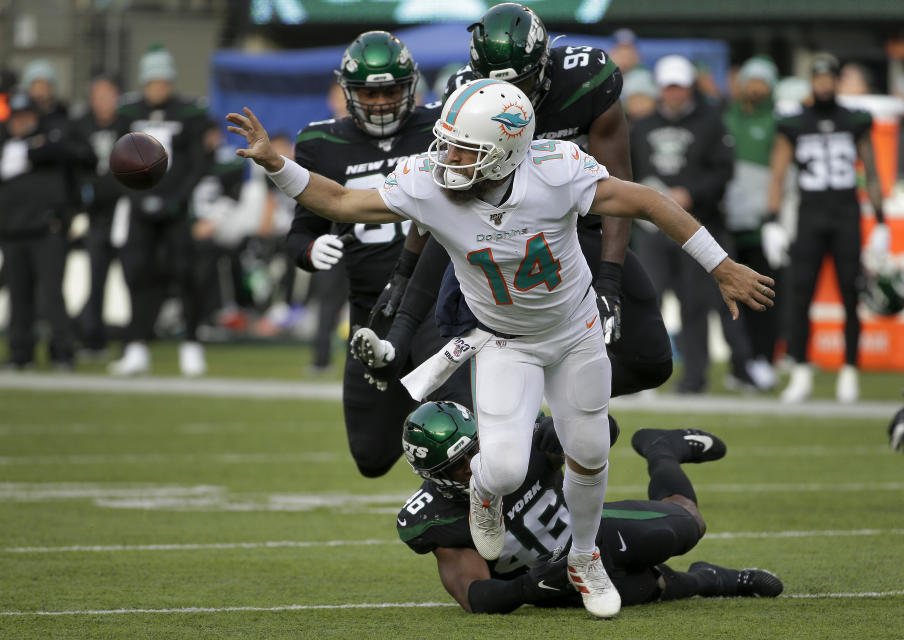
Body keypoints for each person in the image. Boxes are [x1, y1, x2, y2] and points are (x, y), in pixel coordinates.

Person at [226, 76, 775, 617]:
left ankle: (584, 558)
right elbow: (342, 201)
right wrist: (276, 163)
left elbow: (650, 202)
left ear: (507, 152)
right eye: (447, 144)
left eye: (465, 150)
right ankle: (484, 496)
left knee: (588, 454)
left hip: (576, 332)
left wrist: (721, 267)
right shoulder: (430, 182)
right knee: (506, 469)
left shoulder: (556, 171)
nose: (448, 159)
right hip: (503, 342)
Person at [353, 2, 673, 400]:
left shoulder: (586, 78)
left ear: (543, 65)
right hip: (494, 230)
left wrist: (608, 279)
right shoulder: (465, 93)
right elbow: (438, 195)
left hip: (574, 226)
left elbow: (618, 184)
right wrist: (403, 272)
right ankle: (399, 345)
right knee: (454, 242)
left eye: (521, 82)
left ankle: (553, 407)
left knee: (654, 362)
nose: (510, 97)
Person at [284, 31, 472, 477]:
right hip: (372, 312)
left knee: (462, 435)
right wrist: (310, 249)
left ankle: (462, 504)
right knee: (370, 457)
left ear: (410, 87)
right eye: (370, 91)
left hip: (439, 309)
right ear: (349, 93)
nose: (382, 101)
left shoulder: (440, 128)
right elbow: (298, 233)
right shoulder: (321, 143)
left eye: (391, 90)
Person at [397, 400, 783, 613]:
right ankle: (711, 579)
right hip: (551, 584)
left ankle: (661, 449)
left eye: (475, 451)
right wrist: (529, 587)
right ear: (434, 474)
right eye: (457, 465)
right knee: (649, 587)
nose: (473, 466)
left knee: (687, 525)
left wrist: (573, 432)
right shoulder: (436, 518)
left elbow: (602, 436)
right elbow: (473, 595)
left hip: (589, 533)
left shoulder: (518, 443)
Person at [631, 54, 759, 394]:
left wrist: (690, 193)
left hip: (698, 227)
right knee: (647, 298)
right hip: (651, 229)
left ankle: (694, 377)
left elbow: (724, 171)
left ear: (689, 88)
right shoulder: (642, 126)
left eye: (680, 87)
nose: (674, 94)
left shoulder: (711, 122)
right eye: (669, 88)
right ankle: (640, 373)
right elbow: (626, 172)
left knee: (695, 303)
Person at [769, 54, 889, 403]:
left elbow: (872, 171)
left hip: (846, 215)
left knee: (851, 294)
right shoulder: (794, 123)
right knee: (799, 294)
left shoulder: (855, 120)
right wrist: (773, 220)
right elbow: (777, 174)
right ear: (811, 81)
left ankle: (850, 371)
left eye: (828, 77)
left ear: (836, 80)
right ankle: (802, 370)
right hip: (809, 216)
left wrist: (880, 221)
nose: (823, 83)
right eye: (817, 77)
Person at [107, 46, 210, 377]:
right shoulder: (128, 112)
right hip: (140, 207)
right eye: (152, 81)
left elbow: (198, 162)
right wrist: (136, 198)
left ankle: (191, 343)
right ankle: (136, 345)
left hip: (177, 208)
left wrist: (178, 198)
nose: (158, 87)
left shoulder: (189, 113)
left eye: (163, 81)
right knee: (137, 274)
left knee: (184, 273)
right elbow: (116, 162)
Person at [0, 93, 76, 369]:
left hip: (46, 228)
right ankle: (20, 353)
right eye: (16, 117)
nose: (21, 123)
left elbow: (59, 151)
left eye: (26, 117)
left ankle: (62, 352)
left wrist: (23, 152)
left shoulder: (51, 137)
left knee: (51, 295)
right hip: (13, 229)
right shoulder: (3, 145)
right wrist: (11, 151)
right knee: (18, 296)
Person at [722, 56, 783, 390]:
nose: (756, 87)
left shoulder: (776, 121)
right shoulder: (726, 117)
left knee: (765, 295)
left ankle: (763, 359)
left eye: (762, 81)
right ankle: (739, 364)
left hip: (761, 224)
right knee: (732, 296)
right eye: (751, 80)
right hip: (727, 220)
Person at [71, 74, 124, 357]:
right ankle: (92, 339)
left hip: (125, 212)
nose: (104, 102)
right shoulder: (80, 127)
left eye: (108, 95)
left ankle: (136, 341)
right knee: (96, 278)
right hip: (96, 215)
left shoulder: (128, 126)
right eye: (99, 96)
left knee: (134, 274)